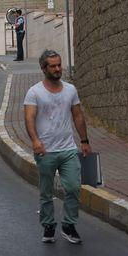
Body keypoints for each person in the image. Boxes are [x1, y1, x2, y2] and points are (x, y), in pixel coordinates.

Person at [24, 49, 92, 245]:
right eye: (52, 66)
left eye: (59, 65)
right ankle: (48, 225)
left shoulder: (70, 89)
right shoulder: (34, 92)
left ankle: (69, 225)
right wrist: (35, 141)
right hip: (45, 151)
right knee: (46, 193)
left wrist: (85, 141)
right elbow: (29, 118)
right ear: (43, 68)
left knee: (73, 188)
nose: (57, 69)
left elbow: (78, 115)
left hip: (68, 149)